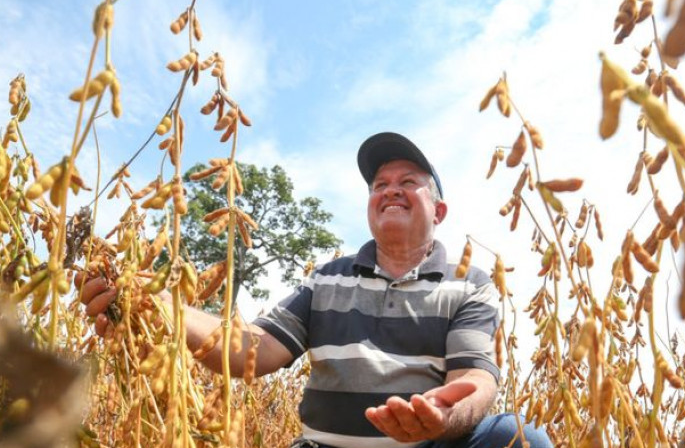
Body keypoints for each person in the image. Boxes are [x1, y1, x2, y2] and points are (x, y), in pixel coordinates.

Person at [82, 132, 552, 448]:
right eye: (379, 184)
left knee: (519, 438)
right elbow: (253, 349)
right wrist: (163, 306)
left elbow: (475, 379)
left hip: (429, 447)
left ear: (439, 210)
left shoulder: (467, 283)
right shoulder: (327, 278)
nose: (390, 190)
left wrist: (442, 415)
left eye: (408, 182)